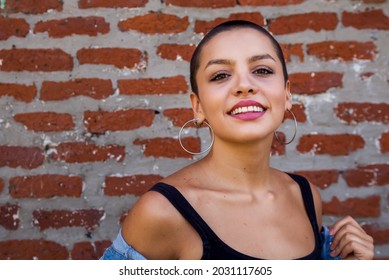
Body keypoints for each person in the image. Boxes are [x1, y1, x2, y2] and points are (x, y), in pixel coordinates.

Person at [101, 20, 374, 260]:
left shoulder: (305, 196)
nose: (245, 85)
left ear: (287, 94)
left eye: (263, 70)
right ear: (198, 107)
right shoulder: (163, 212)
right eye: (221, 75)